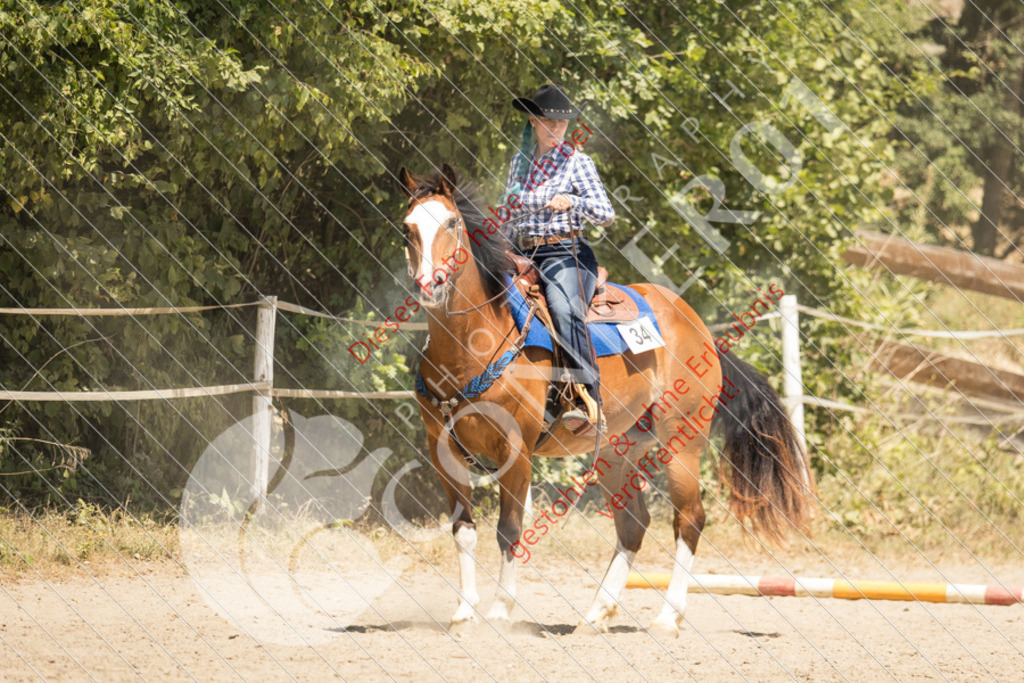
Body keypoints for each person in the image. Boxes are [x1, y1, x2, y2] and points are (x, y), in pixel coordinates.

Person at [504, 83, 615, 433]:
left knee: (564, 308)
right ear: (534, 122)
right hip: (522, 252)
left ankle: (588, 397)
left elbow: (605, 213)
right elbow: (507, 213)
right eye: (550, 123)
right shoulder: (518, 164)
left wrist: (575, 202)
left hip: (565, 253)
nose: (557, 131)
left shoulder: (577, 162)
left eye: (563, 124)